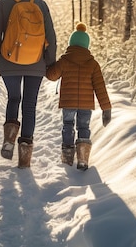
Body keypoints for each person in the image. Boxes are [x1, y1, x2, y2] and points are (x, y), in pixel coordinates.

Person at [0, 0, 57, 168]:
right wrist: (50, 63)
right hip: (36, 64)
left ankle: (9, 140)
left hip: (8, 61)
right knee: (29, 105)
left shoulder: (3, 3)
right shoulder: (41, 4)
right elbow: (51, 38)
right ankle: (25, 157)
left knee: (14, 98)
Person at [46, 22, 112, 170]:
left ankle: (68, 157)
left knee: (68, 125)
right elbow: (100, 88)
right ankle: (82, 159)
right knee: (84, 126)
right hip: (85, 104)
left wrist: (47, 63)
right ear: (86, 45)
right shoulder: (93, 64)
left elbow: (51, 76)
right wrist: (106, 108)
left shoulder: (64, 60)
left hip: (68, 102)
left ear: (71, 43)